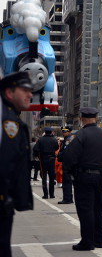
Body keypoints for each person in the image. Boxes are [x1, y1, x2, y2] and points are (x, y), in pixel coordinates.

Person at [62, 107, 102, 251]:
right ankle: (99, 240)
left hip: (84, 176)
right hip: (100, 175)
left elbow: (70, 157)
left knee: (85, 209)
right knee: (98, 208)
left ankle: (87, 241)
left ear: (82, 119)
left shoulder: (80, 135)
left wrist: (70, 173)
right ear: (95, 118)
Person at [0, 72, 34, 257]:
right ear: (9, 92)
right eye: (24, 90)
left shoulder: (12, 117)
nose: (30, 95)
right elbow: (6, 161)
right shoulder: (8, 122)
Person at [33, 127, 59, 199]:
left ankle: (45, 194)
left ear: (45, 132)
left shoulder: (41, 140)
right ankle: (52, 194)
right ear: (51, 132)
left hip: (43, 159)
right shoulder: (54, 139)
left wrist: (38, 154)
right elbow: (57, 148)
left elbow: (35, 148)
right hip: (52, 159)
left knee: (44, 176)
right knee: (51, 177)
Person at [57, 126, 75, 204]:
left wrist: (60, 155)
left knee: (67, 181)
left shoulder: (69, 139)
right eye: (63, 131)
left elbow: (66, 151)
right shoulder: (68, 138)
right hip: (69, 162)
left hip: (69, 163)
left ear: (69, 131)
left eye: (65, 131)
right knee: (68, 181)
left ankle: (67, 198)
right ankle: (68, 197)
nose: (64, 133)